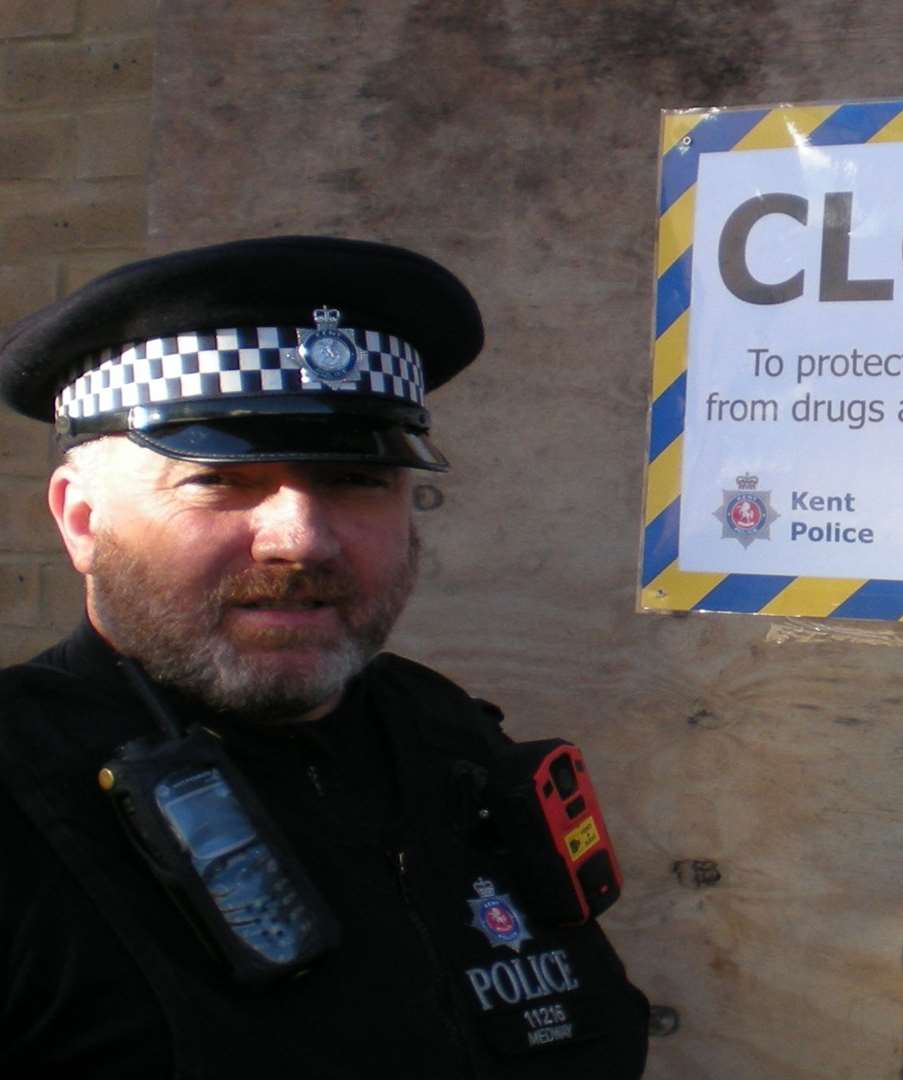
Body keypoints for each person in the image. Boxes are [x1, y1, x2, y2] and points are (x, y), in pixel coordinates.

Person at [0, 236, 651, 1077]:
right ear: (82, 520)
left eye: (356, 481)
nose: (301, 539)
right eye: (217, 480)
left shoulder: (446, 737)